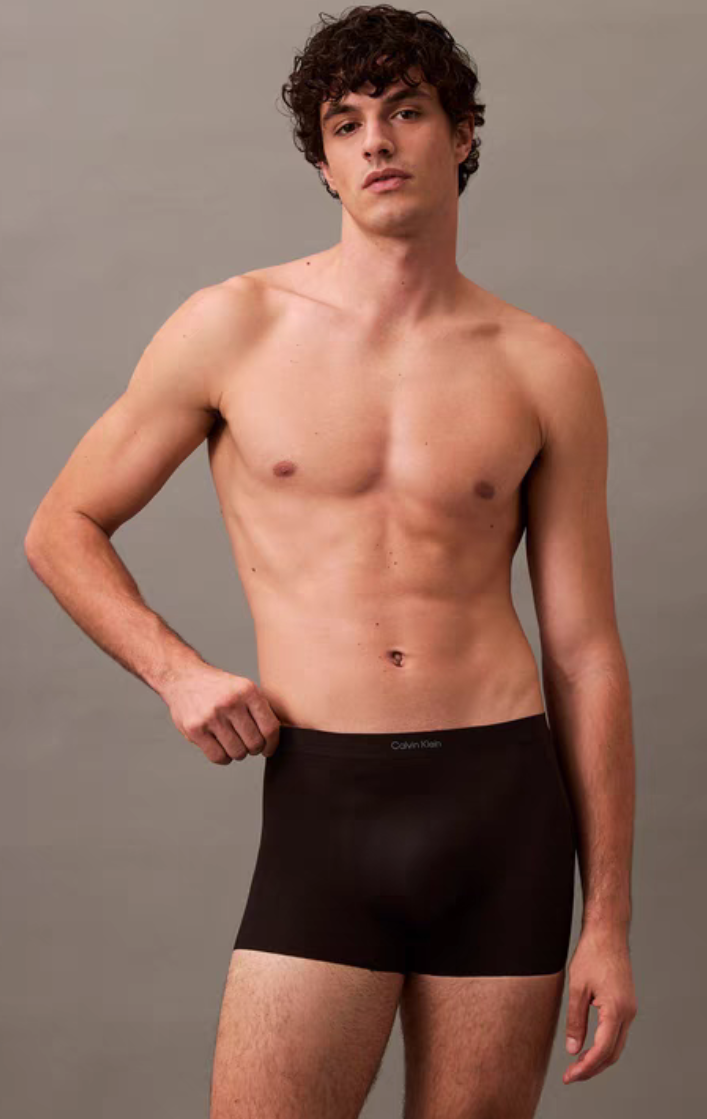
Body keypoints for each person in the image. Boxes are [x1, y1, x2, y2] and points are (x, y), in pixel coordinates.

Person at [24, 5, 638, 1117]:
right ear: (321, 161)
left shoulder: (544, 367)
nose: (376, 142)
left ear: (462, 132)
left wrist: (606, 921)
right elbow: (60, 525)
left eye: (405, 111)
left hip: (502, 808)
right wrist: (177, 671)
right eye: (344, 124)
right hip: (327, 801)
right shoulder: (233, 326)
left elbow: (584, 653)